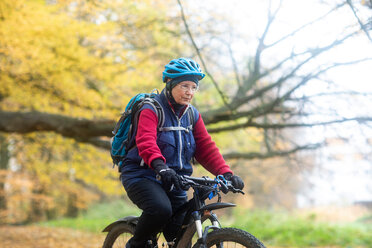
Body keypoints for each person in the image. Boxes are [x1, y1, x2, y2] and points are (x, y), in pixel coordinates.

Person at [120, 57, 244, 248]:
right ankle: (135, 244)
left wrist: (226, 173)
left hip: (176, 179)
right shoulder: (151, 109)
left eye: (194, 87)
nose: (190, 92)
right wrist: (161, 168)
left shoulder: (192, 114)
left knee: (177, 234)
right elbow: (146, 142)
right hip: (142, 175)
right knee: (160, 210)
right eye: (185, 86)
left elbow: (206, 147)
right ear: (170, 84)